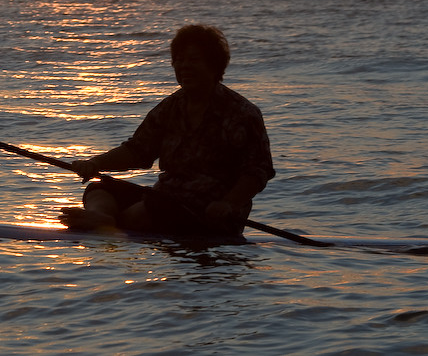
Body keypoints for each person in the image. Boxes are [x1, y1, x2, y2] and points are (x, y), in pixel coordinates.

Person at [59, 24, 275, 238]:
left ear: (214, 66)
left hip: (209, 213)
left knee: (153, 208)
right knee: (100, 188)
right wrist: (95, 163)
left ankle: (111, 223)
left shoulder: (242, 113)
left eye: (193, 60)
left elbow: (257, 171)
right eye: (179, 60)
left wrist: (229, 203)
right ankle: (103, 218)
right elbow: (138, 151)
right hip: (164, 197)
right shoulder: (170, 107)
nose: (184, 66)